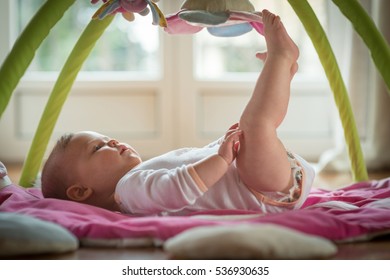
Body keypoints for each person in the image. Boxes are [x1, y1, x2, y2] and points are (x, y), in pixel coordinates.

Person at [41, 10, 315, 216]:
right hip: (261, 188)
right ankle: (281, 61)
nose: (112, 141)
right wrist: (221, 158)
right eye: (97, 148)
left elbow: (191, 162)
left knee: (256, 126)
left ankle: (279, 71)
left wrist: (219, 149)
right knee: (256, 124)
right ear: (80, 191)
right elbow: (180, 187)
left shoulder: (138, 181)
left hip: (258, 178)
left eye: (107, 138)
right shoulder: (127, 191)